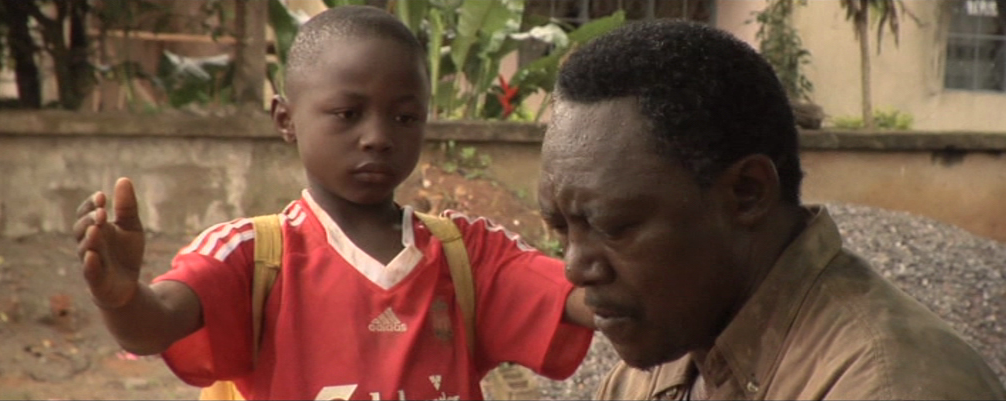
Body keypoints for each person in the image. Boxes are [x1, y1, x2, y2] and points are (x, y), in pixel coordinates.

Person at [73, 6, 593, 400]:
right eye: (348, 114)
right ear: (285, 119)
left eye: (405, 117)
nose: (378, 137)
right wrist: (120, 300)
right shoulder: (251, 255)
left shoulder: (468, 256)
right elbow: (156, 325)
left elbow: (591, 298)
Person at [538, 20, 1006, 400]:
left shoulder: (891, 385)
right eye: (561, 227)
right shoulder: (665, 356)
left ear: (747, 192)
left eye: (612, 226)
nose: (575, 267)